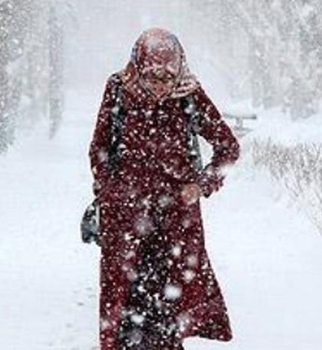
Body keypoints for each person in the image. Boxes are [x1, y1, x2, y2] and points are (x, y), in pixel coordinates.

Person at [88, 28, 239, 350]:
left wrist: (202, 185)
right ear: (138, 67)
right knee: (123, 303)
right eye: (152, 79)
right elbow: (99, 148)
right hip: (125, 217)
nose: (160, 88)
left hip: (176, 220)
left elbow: (228, 147)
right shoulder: (118, 89)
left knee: (169, 305)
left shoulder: (189, 95)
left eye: (166, 79)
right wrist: (109, 193)